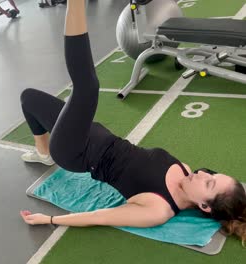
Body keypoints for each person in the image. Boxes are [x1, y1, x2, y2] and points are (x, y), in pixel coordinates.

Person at [19, 0, 246, 245]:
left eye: (209, 182)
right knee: (29, 97)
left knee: (87, 87)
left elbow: (100, 216)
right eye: (210, 173)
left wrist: (49, 220)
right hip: (93, 132)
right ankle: (43, 153)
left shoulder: (158, 210)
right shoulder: (185, 169)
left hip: (75, 152)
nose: (202, 174)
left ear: (204, 206)